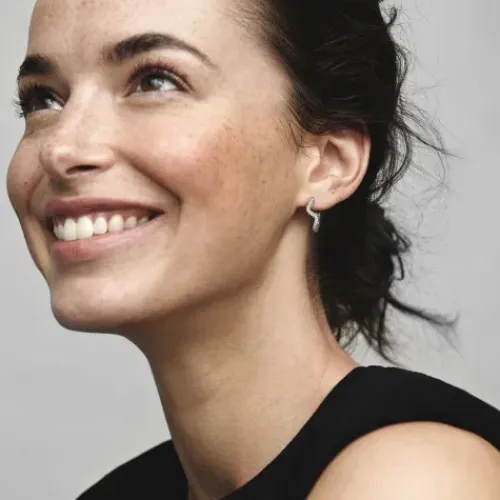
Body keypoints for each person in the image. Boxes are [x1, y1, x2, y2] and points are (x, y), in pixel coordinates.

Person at [7, 0, 500, 498]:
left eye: (155, 81)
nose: (60, 150)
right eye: (43, 99)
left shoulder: (416, 479)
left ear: (328, 162)